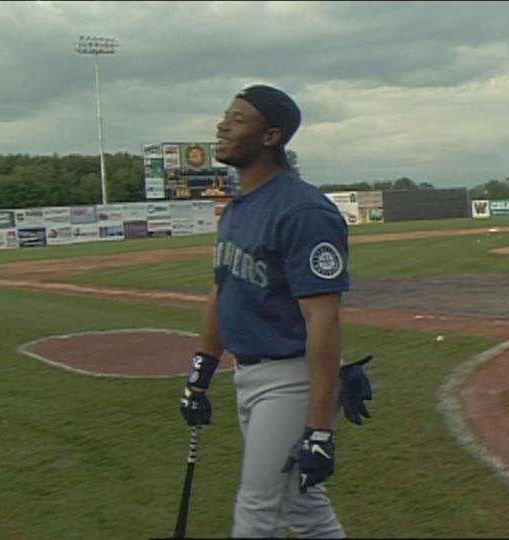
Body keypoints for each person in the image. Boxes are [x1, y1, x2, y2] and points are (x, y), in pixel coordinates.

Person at [179, 84, 373, 538]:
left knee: (257, 509)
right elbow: (220, 293)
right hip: (249, 375)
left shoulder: (304, 211)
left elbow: (323, 321)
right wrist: (200, 374)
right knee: (303, 511)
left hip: (290, 378)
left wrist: (320, 429)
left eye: (238, 119)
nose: (222, 125)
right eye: (226, 115)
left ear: (271, 137)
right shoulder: (237, 208)